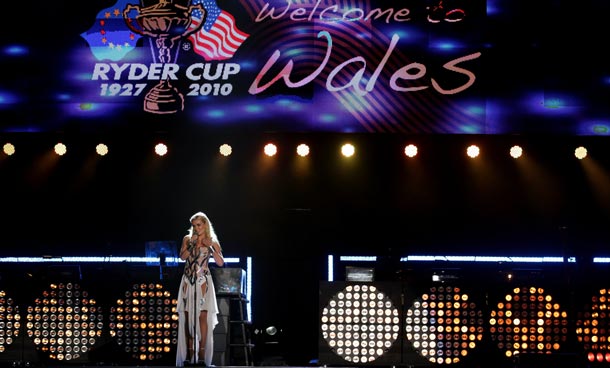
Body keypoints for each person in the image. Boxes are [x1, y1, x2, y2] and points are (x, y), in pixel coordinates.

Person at [176, 211, 225, 367]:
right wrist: (191, 244)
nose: (196, 228)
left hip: (203, 281)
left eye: (199, 225)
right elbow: (182, 257)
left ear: (205, 225)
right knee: (189, 318)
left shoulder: (212, 241)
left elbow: (220, 263)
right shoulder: (187, 239)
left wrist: (212, 247)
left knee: (203, 316)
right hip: (188, 281)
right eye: (194, 225)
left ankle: (202, 354)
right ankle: (190, 355)